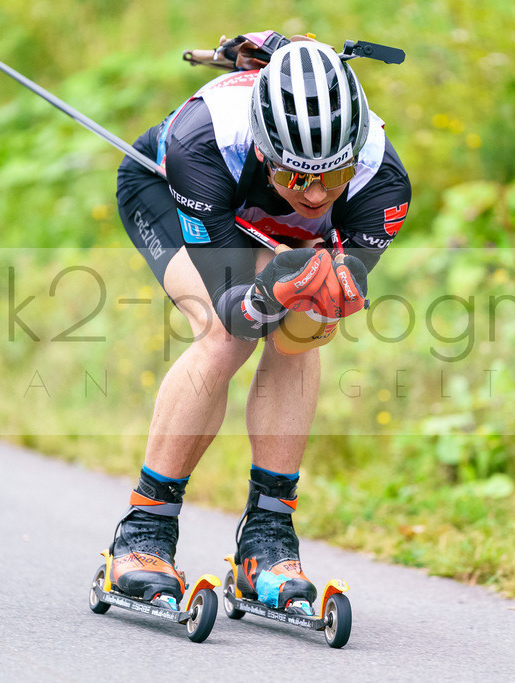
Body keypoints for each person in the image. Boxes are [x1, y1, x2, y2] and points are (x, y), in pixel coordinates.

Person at [108, 32, 411, 615]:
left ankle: (267, 543)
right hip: (171, 192)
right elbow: (235, 307)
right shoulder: (203, 140)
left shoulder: (382, 178)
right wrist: (265, 294)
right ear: (267, 150)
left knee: (305, 327)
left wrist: (331, 289)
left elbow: (340, 281)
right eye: (298, 177)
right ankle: (144, 531)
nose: (318, 193)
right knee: (225, 339)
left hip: (263, 220)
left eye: (335, 175)